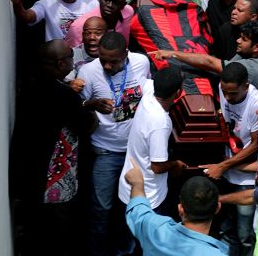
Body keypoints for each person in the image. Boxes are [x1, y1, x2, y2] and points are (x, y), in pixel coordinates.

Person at [9, 39, 98, 256]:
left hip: (29, 173)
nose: (72, 61)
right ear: (60, 64)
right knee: (59, 234)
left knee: (37, 229)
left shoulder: (30, 83)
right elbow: (85, 125)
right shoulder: (64, 95)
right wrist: (92, 112)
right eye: (70, 57)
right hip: (54, 180)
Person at [77, 31, 151, 255]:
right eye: (103, 60)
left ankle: (124, 251)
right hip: (105, 152)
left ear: (126, 54)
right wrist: (93, 104)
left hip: (134, 152)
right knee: (101, 208)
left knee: (132, 205)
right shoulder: (88, 72)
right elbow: (77, 107)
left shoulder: (141, 63)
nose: (107, 66)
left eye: (114, 61)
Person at [117, 66, 187, 253]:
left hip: (128, 187)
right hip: (149, 199)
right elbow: (157, 166)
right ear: (178, 92)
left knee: (125, 244)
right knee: (146, 247)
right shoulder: (160, 122)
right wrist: (175, 164)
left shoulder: (149, 94)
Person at [197, 62, 258, 255]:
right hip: (226, 171)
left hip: (246, 179)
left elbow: (256, 144)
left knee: (245, 235)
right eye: (224, 92)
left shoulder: (255, 103)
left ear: (246, 86)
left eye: (233, 93)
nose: (227, 97)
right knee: (225, 228)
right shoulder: (224, 86)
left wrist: (224, 165)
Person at [124, 160, 229, 256]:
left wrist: (137, 183)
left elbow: (137, 209)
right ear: (217, 208)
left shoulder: (155, 228)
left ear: (180, 209)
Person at [150, 20, 258, 94]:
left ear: (257, 47)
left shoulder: (251, 68)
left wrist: (173, 53)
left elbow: (210, 63)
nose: (238, 41)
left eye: (243, 39)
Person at [66, 0, 133, 47]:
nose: (110, 5)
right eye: (106, 0)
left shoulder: (128, 13)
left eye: (116, 2)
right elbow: (72, 54)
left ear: (123, 5)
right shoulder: (79, 26)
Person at [63, 16, 107, 94]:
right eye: (87, 33)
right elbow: (66, 82)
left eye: (98, 33)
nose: (92, 37)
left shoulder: (115, 52)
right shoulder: (72, 55)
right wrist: (71, 84)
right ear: (82, 36)